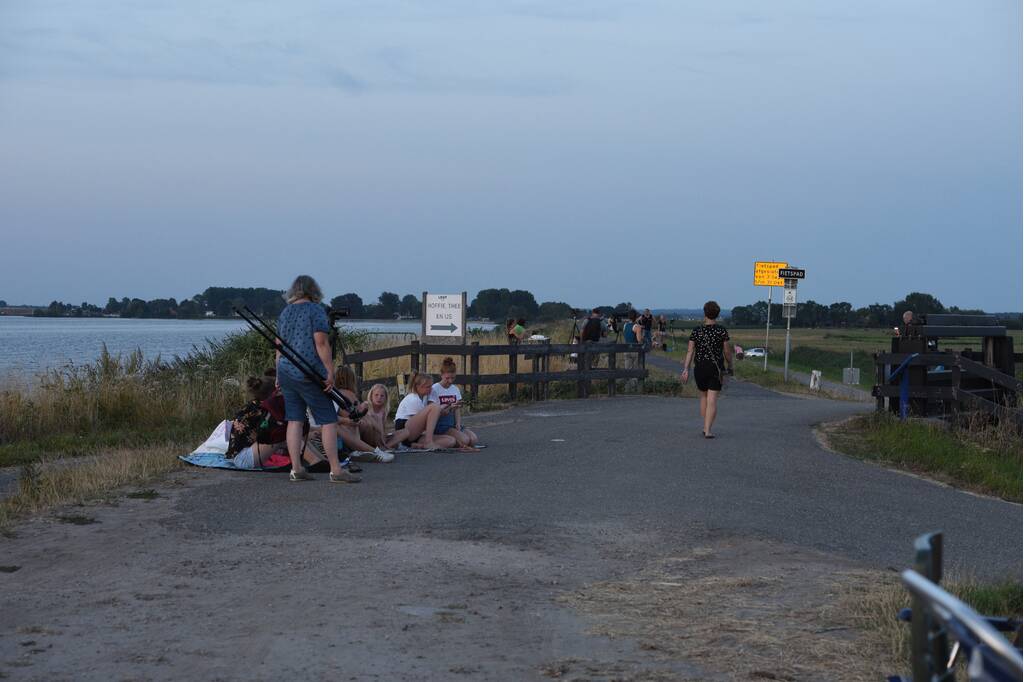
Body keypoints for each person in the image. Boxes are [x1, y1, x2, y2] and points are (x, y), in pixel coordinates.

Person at [275, 274, 357, 483]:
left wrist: (278, 373)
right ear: (314, 290)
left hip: (286, 370)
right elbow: (321, 343)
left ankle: (296, 468)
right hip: (309, 372)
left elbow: (278, 345)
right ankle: (336, 470)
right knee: (328, 419)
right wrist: (329, 372)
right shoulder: (315, 310)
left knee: (294, 419)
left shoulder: (285, 312)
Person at [680, 300, 733, 439]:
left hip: (700, 368)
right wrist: (730, 365)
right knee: (712, 400)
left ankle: (705, 426)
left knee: (703, 397)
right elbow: (727, 352)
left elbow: (690, 351)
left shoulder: (697, 331)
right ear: (717, 314)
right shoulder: (721, 331)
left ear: (705, 313)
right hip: (715, 368)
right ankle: (708, 430)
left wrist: (686, 368)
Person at [225, 375, 288, 469]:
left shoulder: (252, 406)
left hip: (236, 457)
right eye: (279, 392)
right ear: (273, 393)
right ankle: (309, 462)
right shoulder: (264, 410)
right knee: (286, 434)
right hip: (244, 460)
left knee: (287, 433)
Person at [334, 366, 393, 462]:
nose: (379, 398)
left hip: (350, 429)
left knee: (360, 421)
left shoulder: (336, 393)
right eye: (377, 395)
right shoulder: (348, 394)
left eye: (382, 396)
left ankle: (374, 448)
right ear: (352, 380)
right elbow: (350, 416)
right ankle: (375, 449)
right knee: (358, 422)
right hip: (346, 429)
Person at [386, 371, 457, 450]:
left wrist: (443, 411)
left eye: (431, 386)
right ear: (418, 386)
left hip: (416, 435)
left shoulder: (424, 397)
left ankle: (418, 445)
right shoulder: (413, 398)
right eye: (428, 387)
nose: (431, 389)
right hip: (405, 428)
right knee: (435, 407)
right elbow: (423, 423)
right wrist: (440, 411)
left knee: (451, 440)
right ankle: (428, 442)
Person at [429, 357, 479, 449]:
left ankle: (455, 438)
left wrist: (458, 423)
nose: (450, 381)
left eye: (453, 378)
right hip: (441, 424)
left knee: (473, 439)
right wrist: (448, 407)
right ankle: (443, 439)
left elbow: (457, 409)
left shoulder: (455, 389)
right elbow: (432, 411)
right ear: (442, 375)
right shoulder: (435, 389)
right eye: (447, 378)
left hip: (452, 423)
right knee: (465, 440)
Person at [622, 309, 640, 391]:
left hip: (626, 349)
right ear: (636, 317)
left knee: (627, 369)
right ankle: (634, 388)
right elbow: (639, 340)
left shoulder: (625, 325)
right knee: (635, 370)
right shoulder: (637, 327)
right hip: (635, 350)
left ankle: (627, 388)